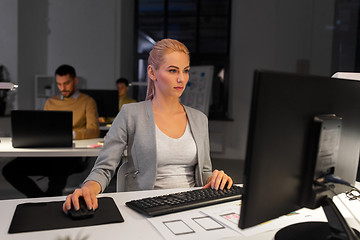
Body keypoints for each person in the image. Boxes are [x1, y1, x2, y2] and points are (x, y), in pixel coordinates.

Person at [63, 39, 233, 213]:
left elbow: (204, 173)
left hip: (191, 206)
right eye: (173, 70)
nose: (181, 78)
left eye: (186, 71)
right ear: (152, 72)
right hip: (146, 206)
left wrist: (216, 178)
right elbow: (105, 167)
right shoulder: (130, 114)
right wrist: (88, 188)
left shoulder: (199, 119)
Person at [2, 64, 100, 197]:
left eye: (66, 83)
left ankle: (48, 201)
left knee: (58, 168)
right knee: (9, 170)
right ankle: (41, 199)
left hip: (71, 157)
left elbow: (94, 130)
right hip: (49, 153)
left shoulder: (87, 102)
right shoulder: (50, 102)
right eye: (59, 84)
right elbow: (44, 129)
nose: (62, 88)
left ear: (75, 81)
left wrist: (71, 135)